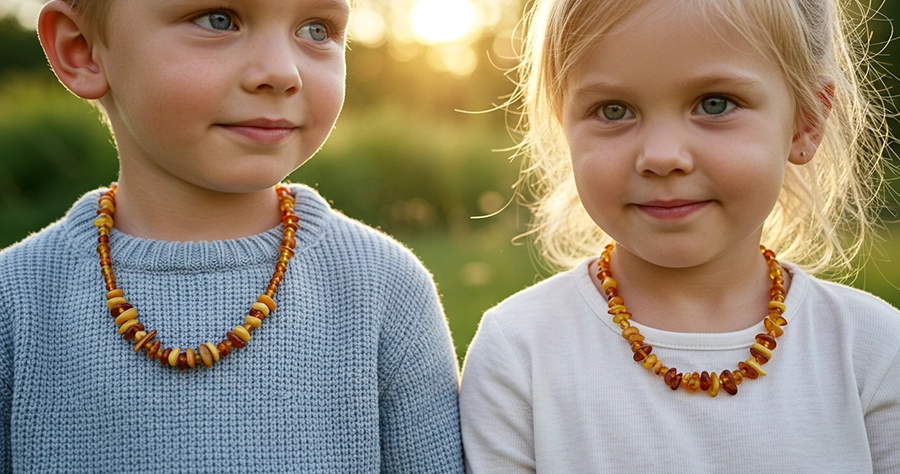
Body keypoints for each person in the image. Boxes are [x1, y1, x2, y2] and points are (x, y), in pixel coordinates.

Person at [0, 0, 465, 472]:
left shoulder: (385, 288)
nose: (283, 72)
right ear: (82, 51)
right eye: (218, 19)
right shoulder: (15, 301)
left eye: (316, 29)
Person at [459, 0, 900, 472]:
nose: (662, 155)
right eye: (613, 110)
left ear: (806, 121)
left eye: (715, 103)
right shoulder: (520, 351)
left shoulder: (873, 350)